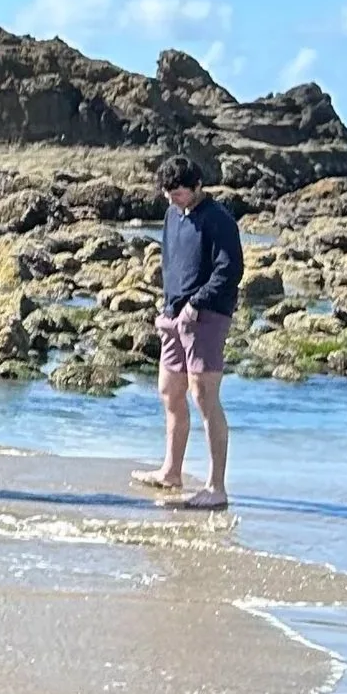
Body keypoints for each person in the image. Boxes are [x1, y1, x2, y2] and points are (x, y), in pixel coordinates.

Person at [133, 155, 242, 511]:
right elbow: (172, 263)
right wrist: (167, 307)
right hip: (173, 315)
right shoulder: (171, 214)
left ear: (197, 187)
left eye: (179, 193)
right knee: (169, 390)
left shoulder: (219, 219)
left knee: (204, 396)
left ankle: (216, 487)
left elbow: (230, 268)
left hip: (207, 316)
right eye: (169, 194)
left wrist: (197, 303)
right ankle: (171, 471)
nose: (173, 199)